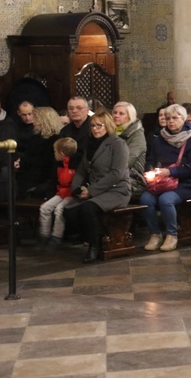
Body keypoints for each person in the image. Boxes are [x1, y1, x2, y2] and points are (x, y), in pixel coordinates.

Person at [63, 111, 131, 263]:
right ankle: (93, 237)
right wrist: (76, 188)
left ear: (108, 126)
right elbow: (81, 170)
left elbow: (116, 173)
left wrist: (91, 191)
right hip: (97, 189)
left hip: (116, 190)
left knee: (88, 208)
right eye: (93, 126)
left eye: (99, 126)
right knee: (69, 210)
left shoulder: (118, 144)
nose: (95, 129)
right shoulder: (90, 145)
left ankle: (95, 246)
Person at [141, 104, 191, 253]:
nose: (171, 121)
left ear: (183, 119)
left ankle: (171, 235)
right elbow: (150, 159)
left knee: (165, 200)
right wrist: (150, 171)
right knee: (146, 199)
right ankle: (155, 234)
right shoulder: (159, 139)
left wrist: (170, 172)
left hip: (185, 184)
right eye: (168, 118)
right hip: (161, 182)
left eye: (175, 118)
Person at [37, 137, 78, 252]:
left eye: (55, 151)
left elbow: (78, 182)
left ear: (62, 153)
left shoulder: (77, 164)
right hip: (61, 192)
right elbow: (54, 181)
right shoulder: (57, 164)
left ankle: (56, 237)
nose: (53, 154)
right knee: (45, 208)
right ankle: (44, 236)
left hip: (73, 194)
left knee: (59, 209)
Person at [14, 107, 62, 198]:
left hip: (41, 177)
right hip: (29, 173)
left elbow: (45, 162)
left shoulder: (54, 139)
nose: (33, 122)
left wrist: (23, 160)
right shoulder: (36, 137)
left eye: (35, 119)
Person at [112, 102, 147, 193]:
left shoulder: (137, 134)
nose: (116, 115)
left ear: (130, 117)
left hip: (133, 178)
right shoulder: (111, 132)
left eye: (121, 113)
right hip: (114, 174)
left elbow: (129, 159)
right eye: (115, 113)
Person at [59, 96, 92, 169]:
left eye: (79, 108)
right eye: (71, 108)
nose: (74, 111)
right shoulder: (64, 131)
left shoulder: (95, 128)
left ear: (87, 110)